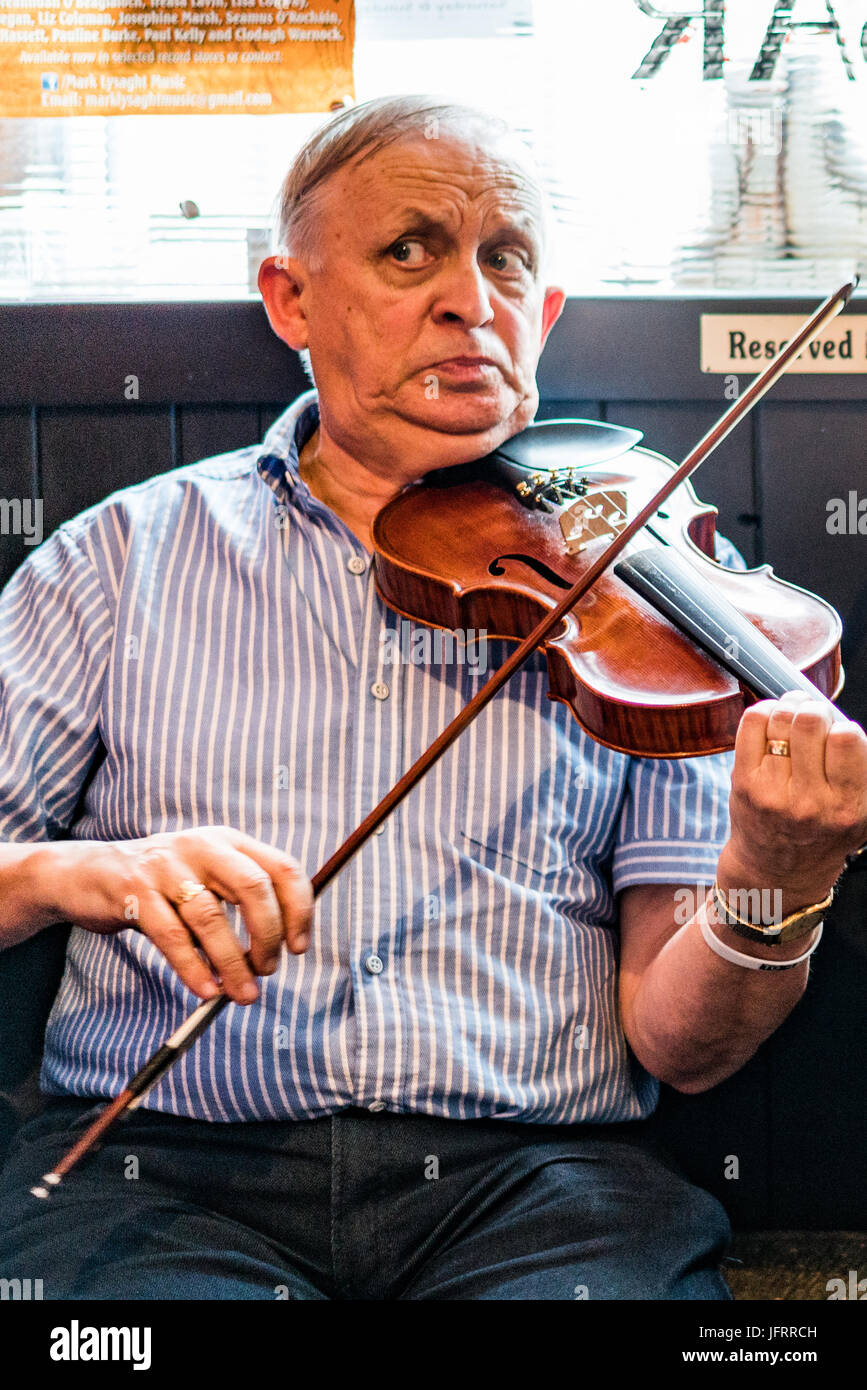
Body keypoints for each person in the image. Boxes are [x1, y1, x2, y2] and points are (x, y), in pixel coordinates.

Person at [0, 95, 864, 1302]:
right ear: (291, 299)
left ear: (547, 313)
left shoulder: (649, 607)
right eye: (411, 249)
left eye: (506, 259)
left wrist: (782, 880)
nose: (471, 298)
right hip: (165, 1173)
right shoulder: (114, 561)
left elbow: (684, 1041)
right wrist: (68, 873)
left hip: (539, 1184)